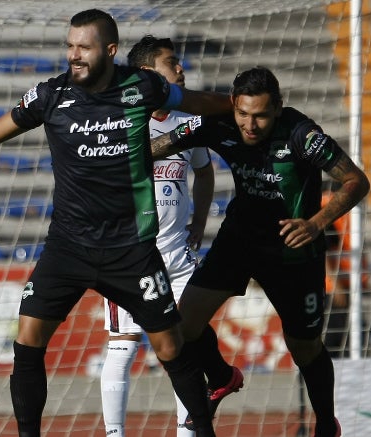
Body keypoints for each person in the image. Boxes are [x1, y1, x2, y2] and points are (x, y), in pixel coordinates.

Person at [0, 9, 233, 437]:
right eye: (70, 46)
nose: (74, 55)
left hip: (130, 250)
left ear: (109, 50)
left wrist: (243, 107)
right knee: (27, 342)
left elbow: (199, 102)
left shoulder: (142, 87)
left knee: (170, 347)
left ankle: (203, 430)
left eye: (83, 47)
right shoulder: (50, 95)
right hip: (68, 247)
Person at [150, 66, 370, 437]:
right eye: (243, 114)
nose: (250, 125)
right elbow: (156, 147)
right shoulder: (217, 123)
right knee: (183, 328)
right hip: (239, 241)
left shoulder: (303, 135)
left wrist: (316, 223)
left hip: (293, 251)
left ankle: (325, 425)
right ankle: (220, 376)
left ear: (278, 109)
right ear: (234, 105)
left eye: (261, 116)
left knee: (303, 347)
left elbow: (356, 181)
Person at [99, 35, 217, 437]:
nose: (181, 69)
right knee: (123, 345)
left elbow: (204, 170)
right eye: (173, 63)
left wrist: (200, 221)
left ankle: (188, 432)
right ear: (149, 73)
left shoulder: (187, 122)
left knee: (185, 348)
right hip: (131, 258)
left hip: (179, 258)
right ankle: (114, 433)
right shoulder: (121, 119)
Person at [321, 188, 369, 358]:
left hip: (348, 284)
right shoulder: (329, 203)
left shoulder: (345, 202)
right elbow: (322, 248)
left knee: (352, 341)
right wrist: (334, 284)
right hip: (333, 289)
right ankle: (311, 383)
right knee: (331, 342)